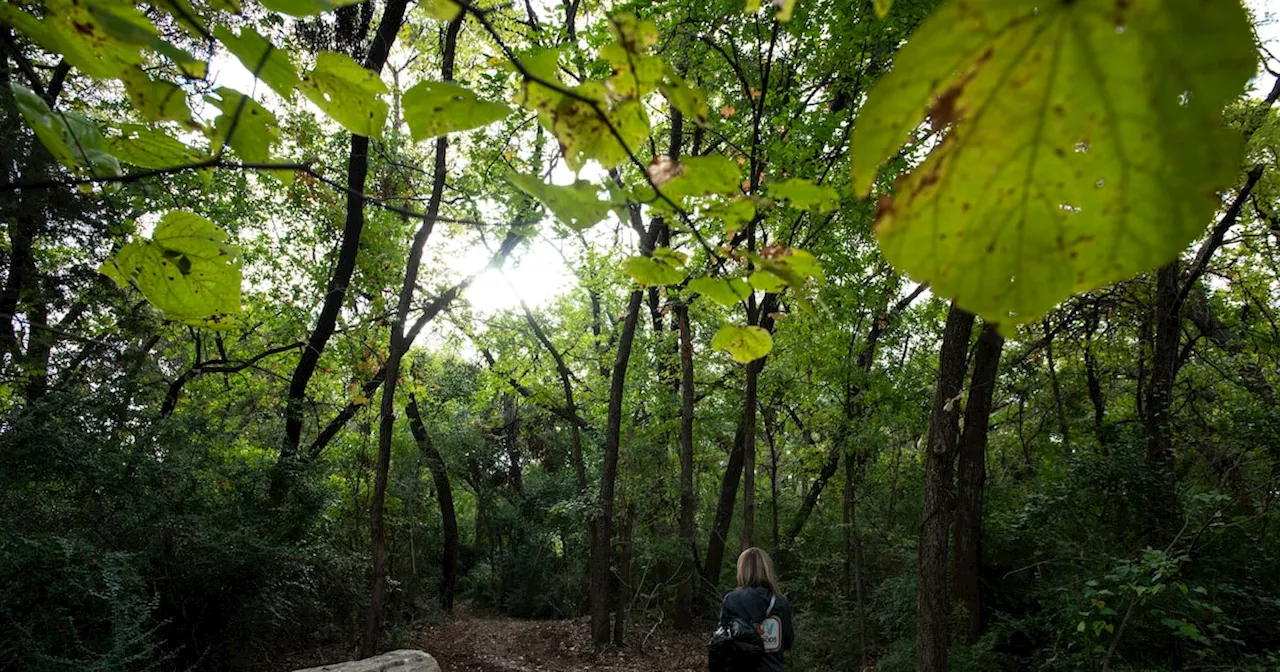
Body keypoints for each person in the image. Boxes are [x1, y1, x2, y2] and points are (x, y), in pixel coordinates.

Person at [719, 547, 794, 672]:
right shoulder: (780, 601)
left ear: (741, 569)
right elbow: (788, 641)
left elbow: (722, 641)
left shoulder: (731, 600)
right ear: (767, 569)